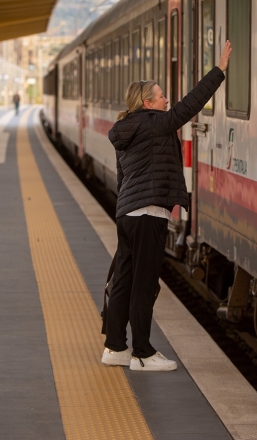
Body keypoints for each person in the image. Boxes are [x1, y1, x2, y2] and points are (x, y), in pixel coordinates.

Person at [102, 40, 232, 371]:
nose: (166, 100)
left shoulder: (125, 130)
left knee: (124, 282)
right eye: (161, 96)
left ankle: (115, 347)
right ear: (147, 103)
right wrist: (219, 71)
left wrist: (125, 209)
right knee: (145, 286)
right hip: (149, 215)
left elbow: (121, 177)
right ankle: (142, 354)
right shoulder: (154, 122)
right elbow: (189, 106)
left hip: (128, 213)